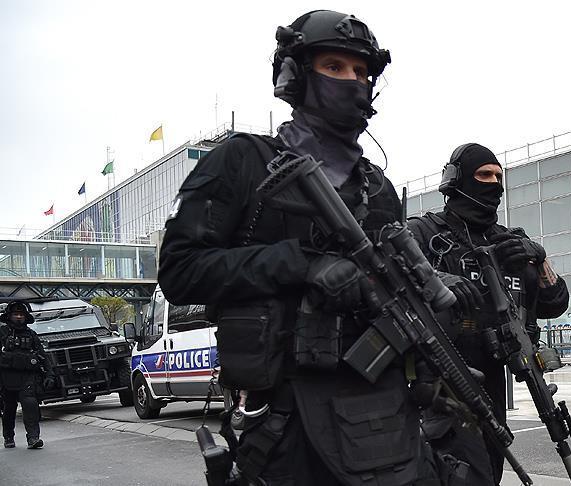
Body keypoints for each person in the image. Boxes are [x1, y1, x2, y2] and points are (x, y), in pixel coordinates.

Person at [158, 10, 443, 486]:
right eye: (334, 67)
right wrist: (299, 265)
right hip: (284, 424)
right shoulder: (242, 162)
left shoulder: (378, 187)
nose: (353, 81)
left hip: (383, 418)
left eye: (362, 72)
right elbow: (180, 270)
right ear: (294, 76)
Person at [408, 143, 570, 485]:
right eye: (484, 175)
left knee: (490, 471)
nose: (494, 184)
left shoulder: (511, 242)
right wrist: (439, 280)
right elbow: (390, 273)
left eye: (499, 176)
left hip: (494, 384)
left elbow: (555, 303)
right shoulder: (424, 233)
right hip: (439, 384)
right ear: (456, 179)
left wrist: (539, 259)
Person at [0, 300, 49, 449]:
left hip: (27, 376)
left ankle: (33, 438)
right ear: (9, 316)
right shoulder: (2, 333)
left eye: (21, 314)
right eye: (16, 314)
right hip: (6, 377)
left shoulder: (31, 334)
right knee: (9, 408)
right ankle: (8, 436)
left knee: (30, 405)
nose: (19, 317)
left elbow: (42, 356)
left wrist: (50, 374)